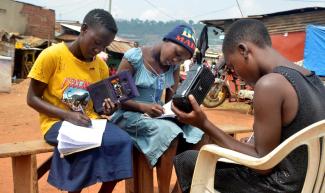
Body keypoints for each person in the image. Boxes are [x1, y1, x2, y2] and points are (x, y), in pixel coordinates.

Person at [172, 19, 325, 193]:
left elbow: (262, 164)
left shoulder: (270, 84)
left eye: (233, 66)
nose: (237, 75)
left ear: (243, 50)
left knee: (189, 160)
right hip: (310, 183)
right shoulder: (310, 78)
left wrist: (204, 123)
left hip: (281, 187)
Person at [27, 9, 133, 193]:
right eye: (97, 42)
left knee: (124, 142)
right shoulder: (52, 55)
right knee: (85, 146)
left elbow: (99, 108)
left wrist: (108, 109)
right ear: (84, 29)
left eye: (104, 46)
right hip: (56, 122)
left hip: (89, 122)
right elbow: (32, 98)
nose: (98, 50)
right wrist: (68, 115)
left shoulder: (100, 66)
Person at [110, 24, 205, 193]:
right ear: (167, 40)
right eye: (176, 54)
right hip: (127, 115)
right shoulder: (134, 58)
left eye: (181, 60)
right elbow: (116, 97)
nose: (176, 61)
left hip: (156, 117)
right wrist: (143, 107)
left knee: (200, 134)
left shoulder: (173, 68)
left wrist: (180, 110)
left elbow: (171, 100)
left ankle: (179, 190)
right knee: (170, 134)